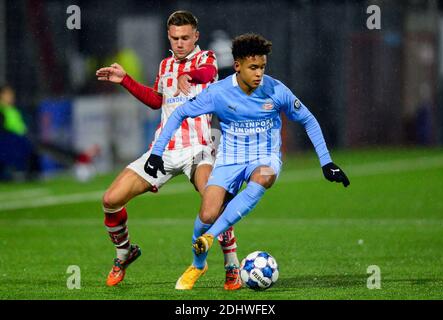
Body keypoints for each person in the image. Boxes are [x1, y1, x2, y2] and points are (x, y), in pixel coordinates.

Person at [145, 33, 350, 289]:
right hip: (230, 160)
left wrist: (326, 161)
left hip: (264, 157)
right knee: (207, 213)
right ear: (237, 65)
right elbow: (180, 114)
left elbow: (308, 118)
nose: (259, 73)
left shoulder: (275, 90)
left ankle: (210, 237)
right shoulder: (218, 93)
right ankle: (198, 264)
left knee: (264, 175)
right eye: (253, 67)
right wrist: (156, 152)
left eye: (262, 67)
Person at [95, 11, 242, 290]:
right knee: (110, 200)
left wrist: (189, 74)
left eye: (186, 37)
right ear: (168, 37)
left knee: (213, 204)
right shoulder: (164, 66)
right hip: (163, 150)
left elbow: (208, 73)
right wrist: (125, 80)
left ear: (196, 36)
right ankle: (124, 253)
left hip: (198, 148)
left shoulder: (205, 59)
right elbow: (157, 101)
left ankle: (232, 264)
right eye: (175, 38)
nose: (180, 43)